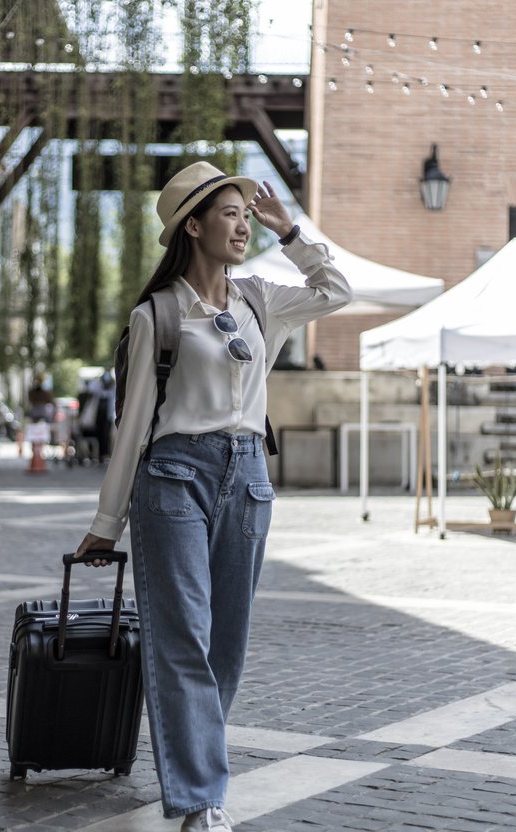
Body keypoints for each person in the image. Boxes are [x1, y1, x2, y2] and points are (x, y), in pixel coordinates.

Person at [74, 161, 352, 831]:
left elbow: (336, 289)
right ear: (192, 226)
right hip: (173, 477)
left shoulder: (260, 298)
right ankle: (201, 800)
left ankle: (191, 754)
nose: (242, 224)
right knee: (182, 639)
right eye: (230, 213)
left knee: (225, 643)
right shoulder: (159, 314)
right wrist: (106, 523)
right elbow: (133, 425)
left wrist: (292, 233)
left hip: (250, 476)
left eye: (245, 215)